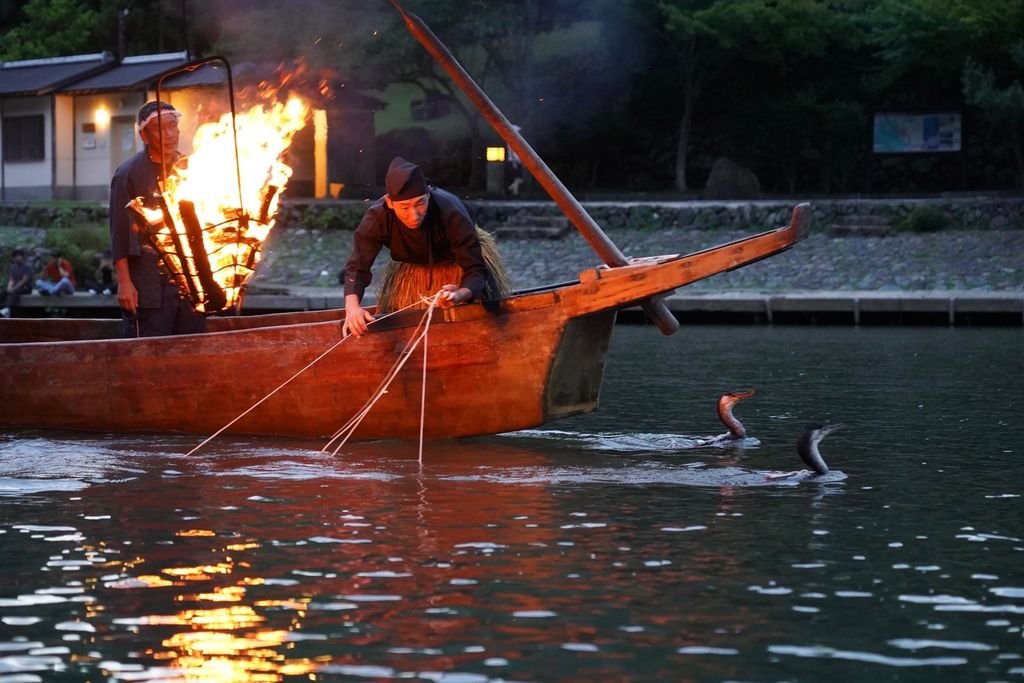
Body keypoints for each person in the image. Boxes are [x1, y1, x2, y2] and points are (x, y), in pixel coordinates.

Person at [340, 156, 511, 338]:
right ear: (390, 203)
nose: (414, 215)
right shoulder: (377, 219)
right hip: (411, 270)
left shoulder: (450, 212)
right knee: (404, 334)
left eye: (420, 203)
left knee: (479, 332)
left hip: (457, 267)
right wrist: (352, 308)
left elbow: (476, 270)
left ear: (428, 194)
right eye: (404, 207)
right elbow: (357, 267)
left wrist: (460, 294)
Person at [109, 100, 206, 338]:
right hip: (148, 279)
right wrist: (124, 282)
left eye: (173, 126)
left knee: (191, 347)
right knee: (150, 351)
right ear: (144, 134)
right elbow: (119, 231)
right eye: (160, 129)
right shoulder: (129, 173)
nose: (169, 134)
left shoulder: (189, 168)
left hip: (190, 279)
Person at [0, 248, 34, 318]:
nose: (17, 258)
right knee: (4, 290)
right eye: (15, 256)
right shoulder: (12, 267)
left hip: (26, 287)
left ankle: (7, 309)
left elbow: (24, 281)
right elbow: (11, 279)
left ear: (22, 257)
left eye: (18, 256)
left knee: (15, 292)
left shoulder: (27, 267)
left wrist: (13, 288)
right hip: (15, 286)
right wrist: (9, 287)